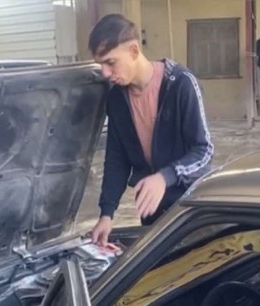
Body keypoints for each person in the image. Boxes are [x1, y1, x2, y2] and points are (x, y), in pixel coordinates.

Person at [88, 14, 214, 246]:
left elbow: (203, 151)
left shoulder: (181, 84)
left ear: (134, 51)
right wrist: (107, 214)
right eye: (101, 64)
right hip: (150, 208)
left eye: (110, 62)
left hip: (191, 209)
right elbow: (116, 159)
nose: (105, 73)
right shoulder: (117, 99)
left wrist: (165, 177)